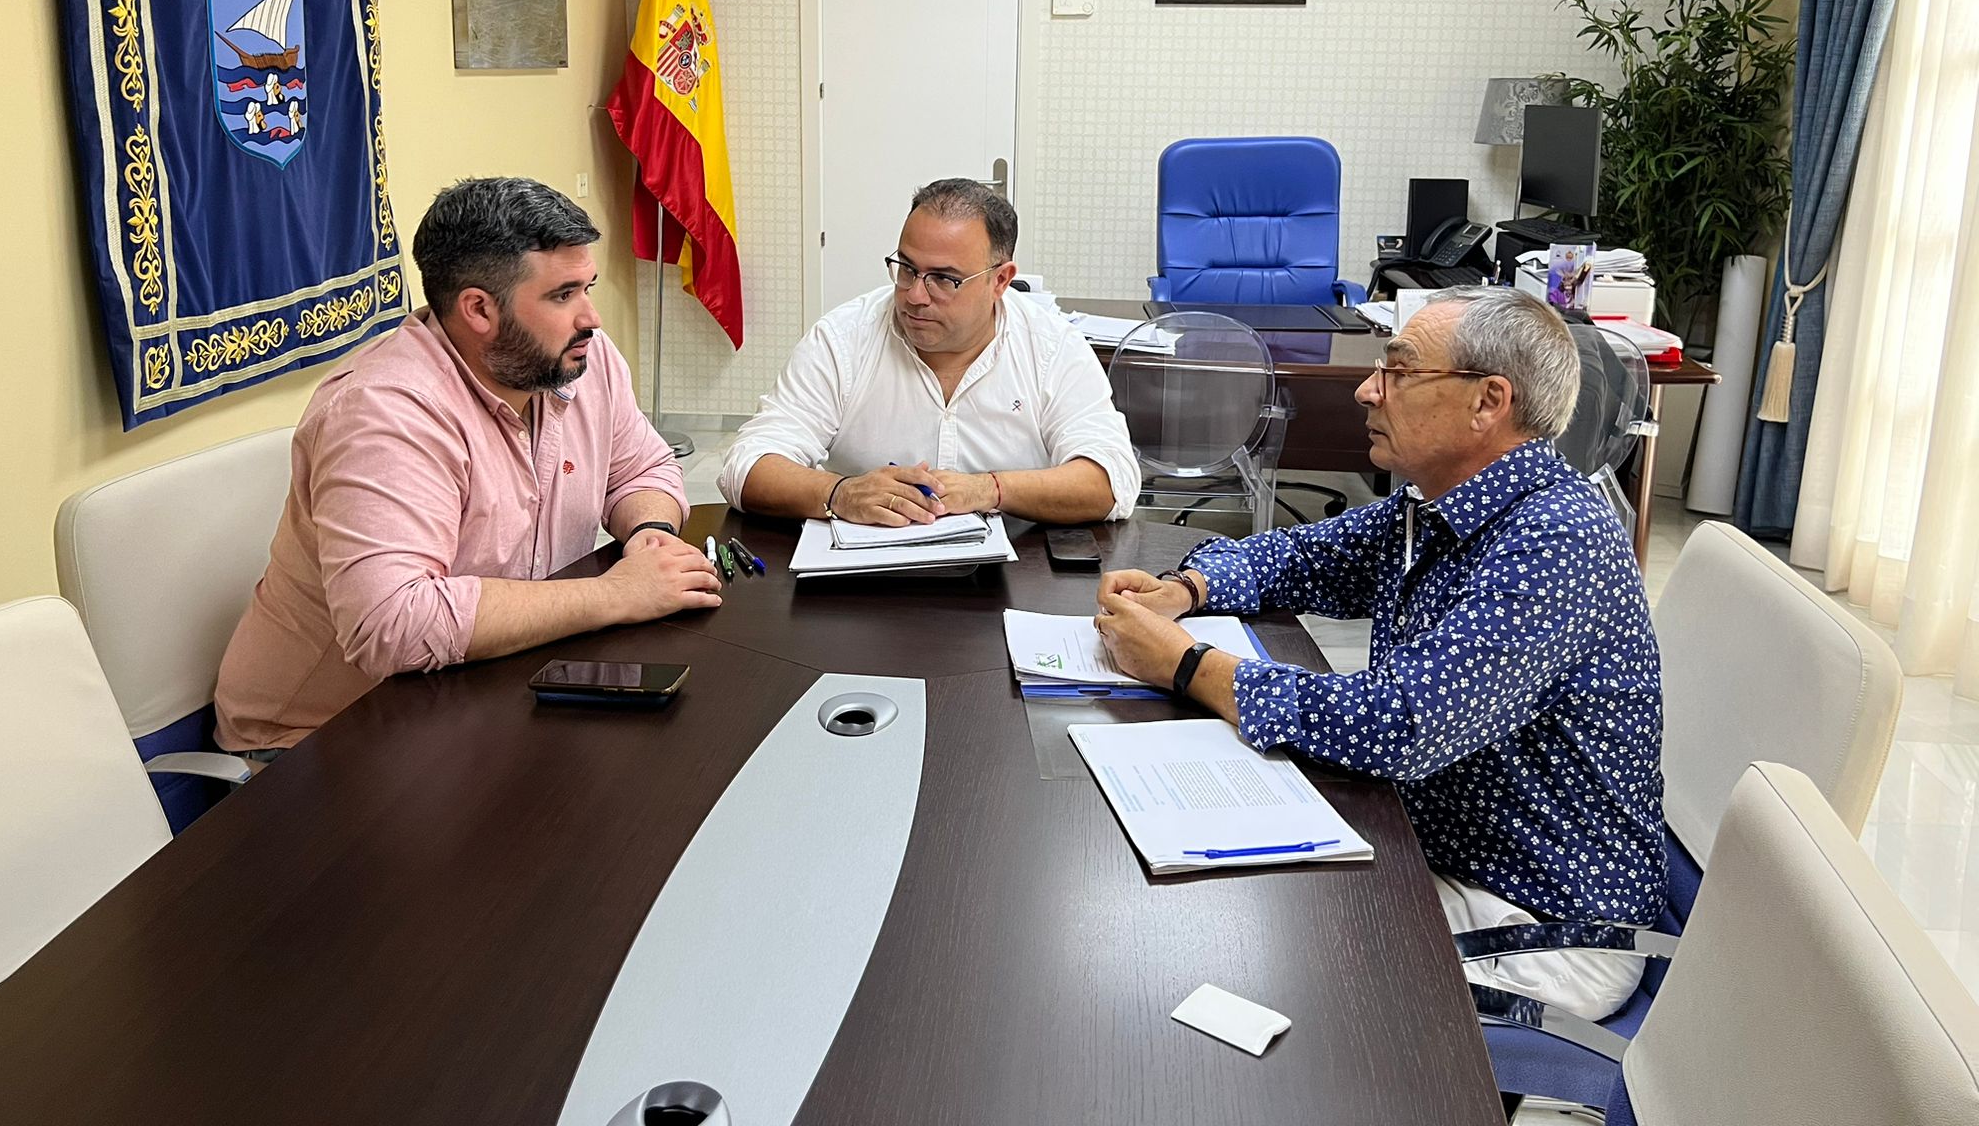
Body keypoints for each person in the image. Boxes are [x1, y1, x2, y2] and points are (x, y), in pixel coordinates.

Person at [1092, 287, 1664, 1022]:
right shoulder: (1439, 502)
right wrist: (1188, 588)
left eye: (1399, 371)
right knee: (1214, 898)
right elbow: (1301, 557)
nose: (1368, 391)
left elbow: (1400, 724)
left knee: (1246, 958)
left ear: (1488, 401)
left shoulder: (1556, 541)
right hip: (1438, 844)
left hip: (1538, 918)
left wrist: (1185, 665)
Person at [214, 177, 720, 755]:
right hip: (322, 741)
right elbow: (394, 624)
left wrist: (649, 534)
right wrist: (614, 595)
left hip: (487, 690)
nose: (593, 318)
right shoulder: (385, 413)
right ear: (478, 308)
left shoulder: (576, 358)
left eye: (588, 287)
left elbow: (640, 468)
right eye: (563, 296)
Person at [721, 178, 1139, 526]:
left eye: (944, 279)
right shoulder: (844, 338)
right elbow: (746, 465)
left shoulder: (1051, 346)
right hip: (865, 576)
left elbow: (1111, 480)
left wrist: (989, 489)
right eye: (907, 269)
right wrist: (840, 492)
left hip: (1014, 574)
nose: (915, 296)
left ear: (1000, 281)